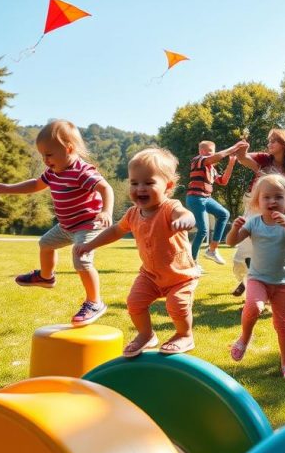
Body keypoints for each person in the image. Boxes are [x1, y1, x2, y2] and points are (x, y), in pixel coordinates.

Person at [75, 147, 199, 356]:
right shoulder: (133, 213)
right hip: (150, 275)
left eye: (149, 183)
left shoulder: (170, 207)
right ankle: (146, 334)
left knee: (177, 305)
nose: (140, 188)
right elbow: (115, 231)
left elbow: (185, 213)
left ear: (168, 187)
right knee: (134, 303)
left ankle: (184, 335)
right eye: (134, 183)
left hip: (180, 276)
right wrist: (90, 245)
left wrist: (186, 219)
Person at [0, 119, 113, 326]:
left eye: (49, 155)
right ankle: (46, 277)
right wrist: (6, 188)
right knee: (45, 244)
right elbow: (35, 185)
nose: (45, 160)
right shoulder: (53, 172)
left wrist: (106, 211)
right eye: (42, 155)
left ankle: (94, 302)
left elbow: (105, 188)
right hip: (66, 226)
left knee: (81, 259)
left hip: (87, 224)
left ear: (69, 148)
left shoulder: (82, 171)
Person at [226, 174, 285, 379]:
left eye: (278, 197)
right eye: (267, 197)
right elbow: (231, 241)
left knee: (283, 325)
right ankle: (244, 339)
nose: (272, 201)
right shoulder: (254, 223)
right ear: (257, 201)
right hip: (258, 279)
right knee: (254, 307)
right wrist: (234, 228)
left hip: (283, 284)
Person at [232, 129, 285, 307]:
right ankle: (251, 288)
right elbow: (243, 158)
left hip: (280, 212)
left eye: (273, 141)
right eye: (269, 141)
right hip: (256, 210)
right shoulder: (264, 159)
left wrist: (282, 216)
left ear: (284, 144)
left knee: (279, 252)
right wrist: (241, 151)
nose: (269, 144)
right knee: (247, 250)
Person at [186, 139, 242, 267]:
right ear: (202, 151)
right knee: (203, 230)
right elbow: (218, 156)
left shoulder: (211, 169)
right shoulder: (198, 160)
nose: (213, 154)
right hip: (195, 198)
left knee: (224, 214)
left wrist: (231, 165)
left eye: (213, 152)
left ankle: (212, 250)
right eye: (210, 152)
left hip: (206, 198)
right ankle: (192, 263)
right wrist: (233, 147)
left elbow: (223, 181)